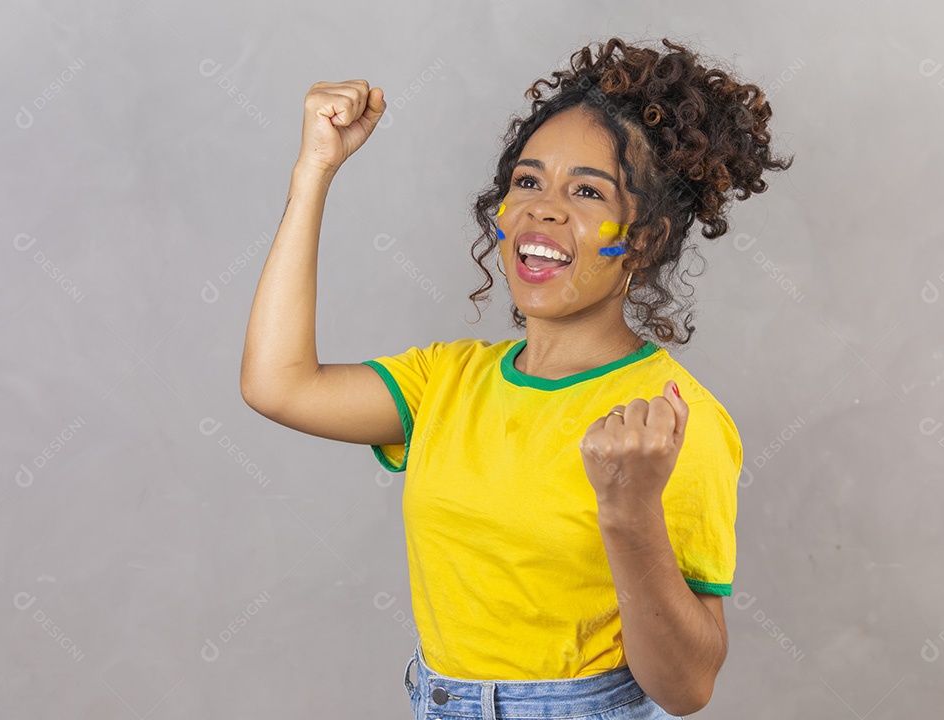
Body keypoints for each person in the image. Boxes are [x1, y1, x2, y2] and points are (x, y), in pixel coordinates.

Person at [241, 36, 793, 720]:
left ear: (644, 239)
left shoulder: (672, 419)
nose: (544, 210)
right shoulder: (446, 381)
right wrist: (313, 171)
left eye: (587, 191)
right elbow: (277, 384)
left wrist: (629, 509)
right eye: (528, 182)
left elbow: (685, 688)